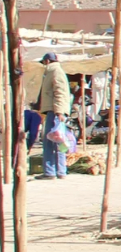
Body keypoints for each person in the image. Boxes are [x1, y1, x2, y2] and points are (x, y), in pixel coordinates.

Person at [36, 52, 71, 180]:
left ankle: (51, 171)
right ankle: (60, 171)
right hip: (55, 110)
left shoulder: (55, 71)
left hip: (55, 111)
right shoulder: (54, 71)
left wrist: (59, 111)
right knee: (58, 141)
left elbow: (59, 92)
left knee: (51, 141)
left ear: (47, 61)